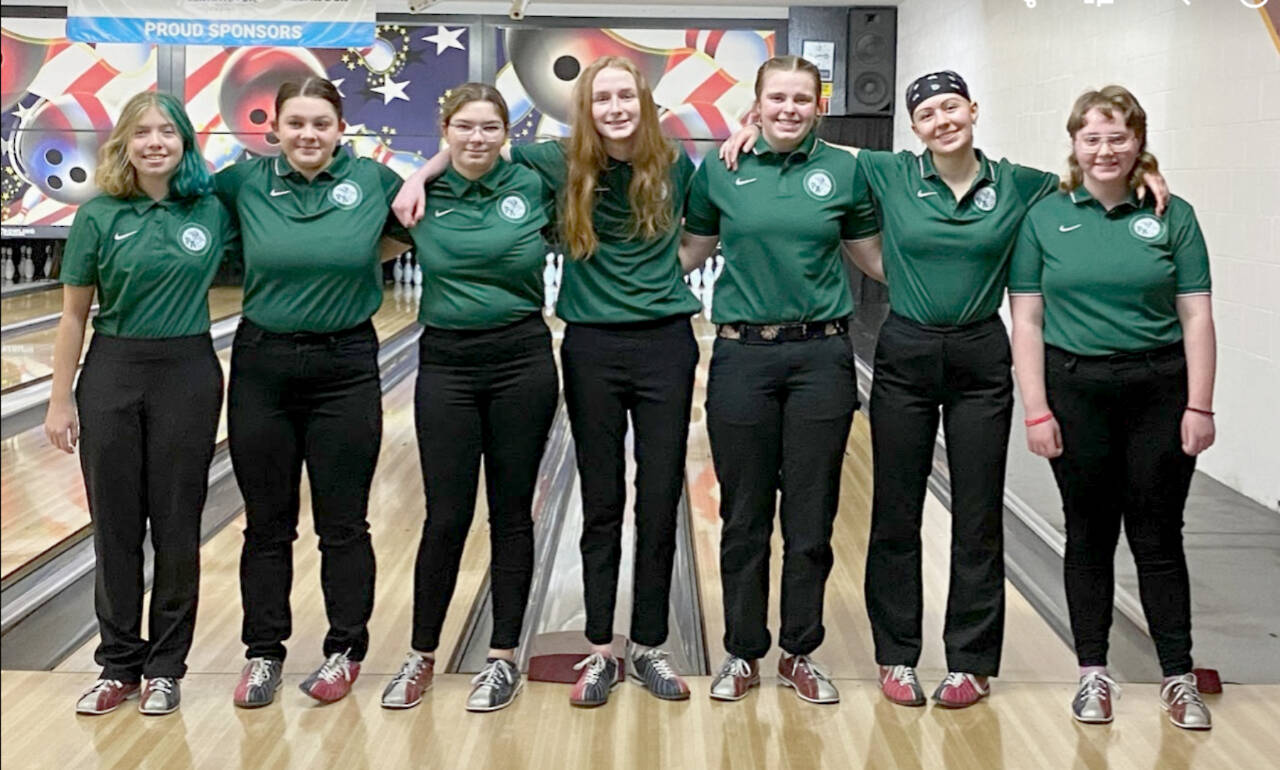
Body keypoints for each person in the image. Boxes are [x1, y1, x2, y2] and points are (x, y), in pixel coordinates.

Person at [724, 70, 1167, 709]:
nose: (942, 120)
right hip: (905, 350)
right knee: (895, 510)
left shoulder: (1016, 182)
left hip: (981, 355)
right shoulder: (893, 172)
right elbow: (819, 145)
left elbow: (1086, 177)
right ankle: (896, 656)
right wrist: (749, 127)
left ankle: (970, 662)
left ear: (973, 109)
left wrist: (1140, 172)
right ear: (914, 126)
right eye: (927, 113)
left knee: (979, 514)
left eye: (951, 107)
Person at [393, 56, 702, 708]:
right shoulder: (553, 163)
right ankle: (598, 649)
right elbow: (476, 145)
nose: (614, 107)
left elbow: (700, 235)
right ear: (584, 109)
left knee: (659, 498)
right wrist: (422, 170)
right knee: (601, 499)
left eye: (625, 95)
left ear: (642, 101)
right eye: (601, 98)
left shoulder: (678, 163)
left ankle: (647, 644)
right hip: (590, 343)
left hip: (666, 343)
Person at [1009, 86, 1216, 730]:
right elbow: (1027, 317)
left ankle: (1178, 676)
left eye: (1118, 137)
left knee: (1158, 536)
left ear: (1138, 143)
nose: (1105, 150)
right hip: (1076, 391)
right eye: (1092, 138)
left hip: (1160, 389)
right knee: (1089, 534)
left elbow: (1197, 315)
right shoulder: (1044, 216)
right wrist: (1037, 409)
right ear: (1073, 143)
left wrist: (1200, 405)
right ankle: (1092, 675)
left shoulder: (1172, 214)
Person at [680, 55, 883, 705]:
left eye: (802, 99)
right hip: (743, 357)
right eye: (778, 98)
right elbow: (689, 251)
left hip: (821, 358)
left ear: (818, 106)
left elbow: (870, 255)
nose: (790, 108)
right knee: (742, 516)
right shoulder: (723, 166)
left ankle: (800, 650)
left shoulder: (844, 170)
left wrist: (949, 287)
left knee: (811, 517)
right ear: (757, 105)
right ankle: (742, 651)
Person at [215, 77, 403, 708]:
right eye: (296, 123)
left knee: (343, 524)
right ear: (276, 129)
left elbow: (411, 221)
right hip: (262, 364)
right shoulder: (242, 182)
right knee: (266, 526)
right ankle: (263, 653)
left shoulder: (375, 182)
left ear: (339, 127)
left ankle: (344, 651)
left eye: (321, 123)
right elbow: (183, 200)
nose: (308, 135)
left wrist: (345, 264)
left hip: (346, 363)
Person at [47, 91, 232, 716]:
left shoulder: (212, 207)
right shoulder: (98, 215)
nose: (155, 142)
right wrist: (59, 400)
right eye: (142, 133)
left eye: (168, 132)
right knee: (117, 529)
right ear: (124, 144)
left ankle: (166, 668)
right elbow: (74, 315)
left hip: (188, 371)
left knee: (177, 527)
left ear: (185, 143)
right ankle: (117, 664)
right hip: (112, 372)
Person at [378, 84, 558, 713]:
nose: (476, 138)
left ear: (507, 133)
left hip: (523, 361)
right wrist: (420, 175)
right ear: (444, 128)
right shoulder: (419, 198)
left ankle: (502, 657)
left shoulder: (535, 180)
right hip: (447, 364)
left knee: (512, 514)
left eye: (489, 128)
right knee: (445, 514)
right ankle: (420, 655)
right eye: (464, 127)